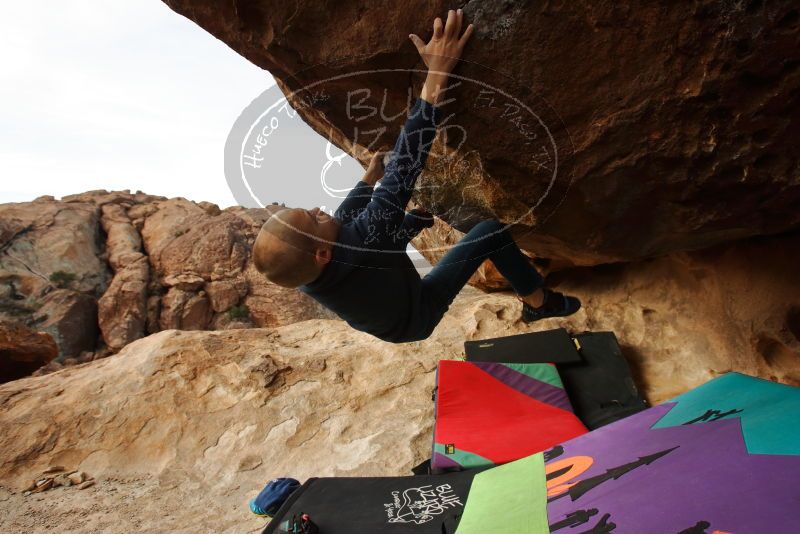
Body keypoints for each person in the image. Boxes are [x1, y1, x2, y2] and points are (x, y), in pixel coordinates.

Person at [253, 10, 581, 343]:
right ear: (322, 254)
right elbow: (405, 166)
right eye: (313, 218)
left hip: (384, 300)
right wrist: (437, 72)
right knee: (490, 233)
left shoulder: (306, 269)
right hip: (416, 313)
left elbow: (344, 225)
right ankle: (538, 303)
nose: (318, 210)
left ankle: (410, 228)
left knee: (380, 233)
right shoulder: (360, 243)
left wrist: (368, 179)